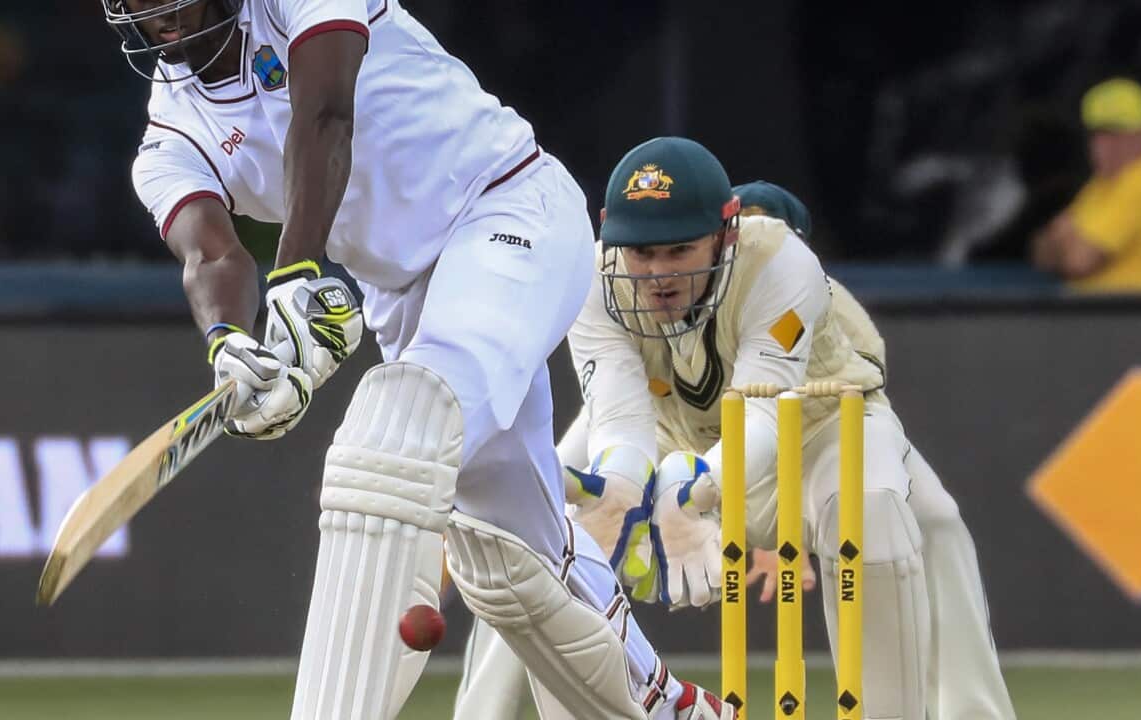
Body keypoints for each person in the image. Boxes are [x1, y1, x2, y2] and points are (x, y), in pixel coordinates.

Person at [107, 2, 726, 718]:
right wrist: (230, 342)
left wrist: (296, 273)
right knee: (513, 561)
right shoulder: (168, 141)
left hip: (505, 209)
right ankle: (673, 709)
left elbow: (326, 116)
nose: (157, 13)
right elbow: (211, 255)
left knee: (394, 438)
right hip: (403, 296)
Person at [454, 168, 1016, 719]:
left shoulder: (799, 284)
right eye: (646, 252)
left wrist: (757, 517)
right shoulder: (607, 280)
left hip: (804, 432)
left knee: (922, 517)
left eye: (679, 250)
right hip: (671, 430)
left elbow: (792, 410)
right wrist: (614, 491)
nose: (660, 272)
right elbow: (620, 421)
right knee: (541, 528)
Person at [1032, 77, 1141, 291]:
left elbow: (1079, 260)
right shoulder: (1103, 183)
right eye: (1100, 134)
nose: (1108, 145)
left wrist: (1064, 236)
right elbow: (1039, 252)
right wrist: (1064, 242)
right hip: (1099, 310)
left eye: (1121, 133)